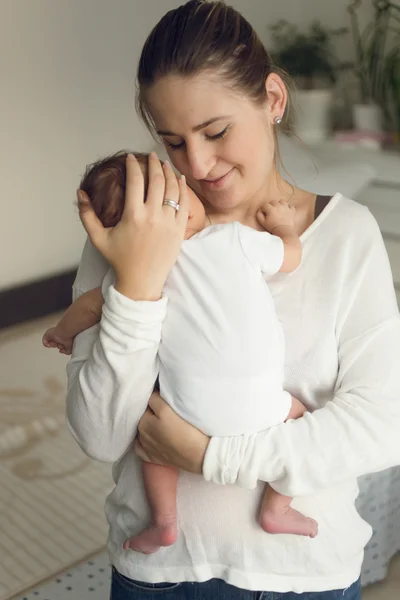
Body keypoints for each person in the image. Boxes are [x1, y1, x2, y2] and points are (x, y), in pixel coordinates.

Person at [66, 1, 400, 598]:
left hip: (304, 579)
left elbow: (380, 428)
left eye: (216, 132)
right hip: (156, 579)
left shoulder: (346, 237)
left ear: (273, 99)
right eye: (172, 142)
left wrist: (213, 458)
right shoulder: (134, 229)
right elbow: (100, 436)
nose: (197, 165)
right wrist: (137, 288)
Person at [45, 150, 319, 554]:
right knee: (300, 418)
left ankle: (164, 523)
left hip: (184, 415)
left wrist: (60, 333)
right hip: (265, 410)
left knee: (151, 443)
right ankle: (277, 508)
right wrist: (282, 227)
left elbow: (87, 308)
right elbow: (290, 258)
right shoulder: (235, 239)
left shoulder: (140, 271)